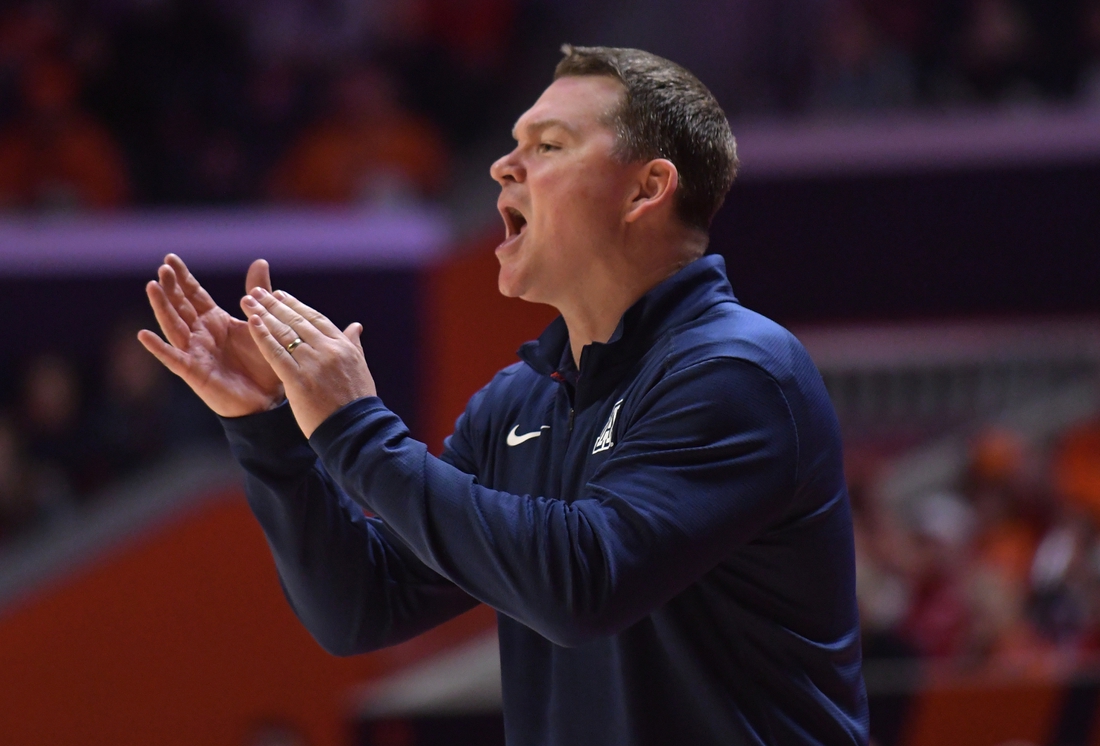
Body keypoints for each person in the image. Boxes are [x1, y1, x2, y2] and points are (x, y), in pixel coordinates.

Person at [140, 45, 868, 746]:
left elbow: (585, 585)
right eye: (513, 142)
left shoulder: (740, 371)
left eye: (548, 146)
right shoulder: (520, 401)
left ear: (646, 190)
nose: (501, 165)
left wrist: (355, 427)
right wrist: (268, 429)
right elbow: (361, 607)